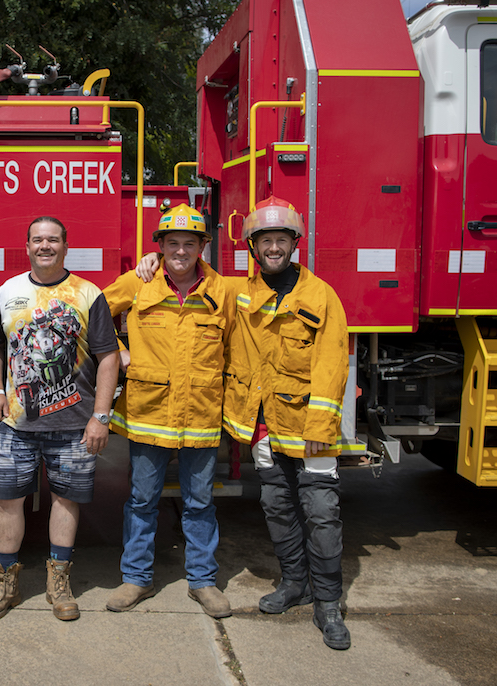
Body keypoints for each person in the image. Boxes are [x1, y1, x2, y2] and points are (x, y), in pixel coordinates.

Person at [0, 216, 120, 622]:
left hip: (75, 425)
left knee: (66, 499)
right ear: (26, 246)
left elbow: (108, 356)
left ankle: (58, 581)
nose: (45, 246)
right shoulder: (8, 291)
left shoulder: (88, 294)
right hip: (17, 426)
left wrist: (101, 417)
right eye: (38, 240)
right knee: (8, 501)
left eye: (53, 240)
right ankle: (5, 581)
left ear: (65, 246)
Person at [224, 196, 351, 650]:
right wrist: (149, 263)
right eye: (265, 241)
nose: (273, 248)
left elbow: (333, 364)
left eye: (281, 239)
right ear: (253, 247)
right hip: (263, 429)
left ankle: (329, 603)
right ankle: (294, 584)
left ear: (295, 243)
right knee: (277, 508)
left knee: (321, 513)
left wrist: (319, 429)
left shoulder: (320, 296)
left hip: (309, 429)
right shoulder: (242, 295)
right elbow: (187, 281)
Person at [102, 204, 239, 618]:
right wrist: (119, 352)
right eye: (172, 243)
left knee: (200, 503)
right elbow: (94, 317)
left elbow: (235, 347)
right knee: (142, 500)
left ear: (202, 247)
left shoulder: (223, 292)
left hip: (200, 414)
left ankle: (203, 581)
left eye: (189, 244)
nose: (181, 251)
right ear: (160, 247)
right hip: (149, 412)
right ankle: (135, 579)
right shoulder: (138, 282)